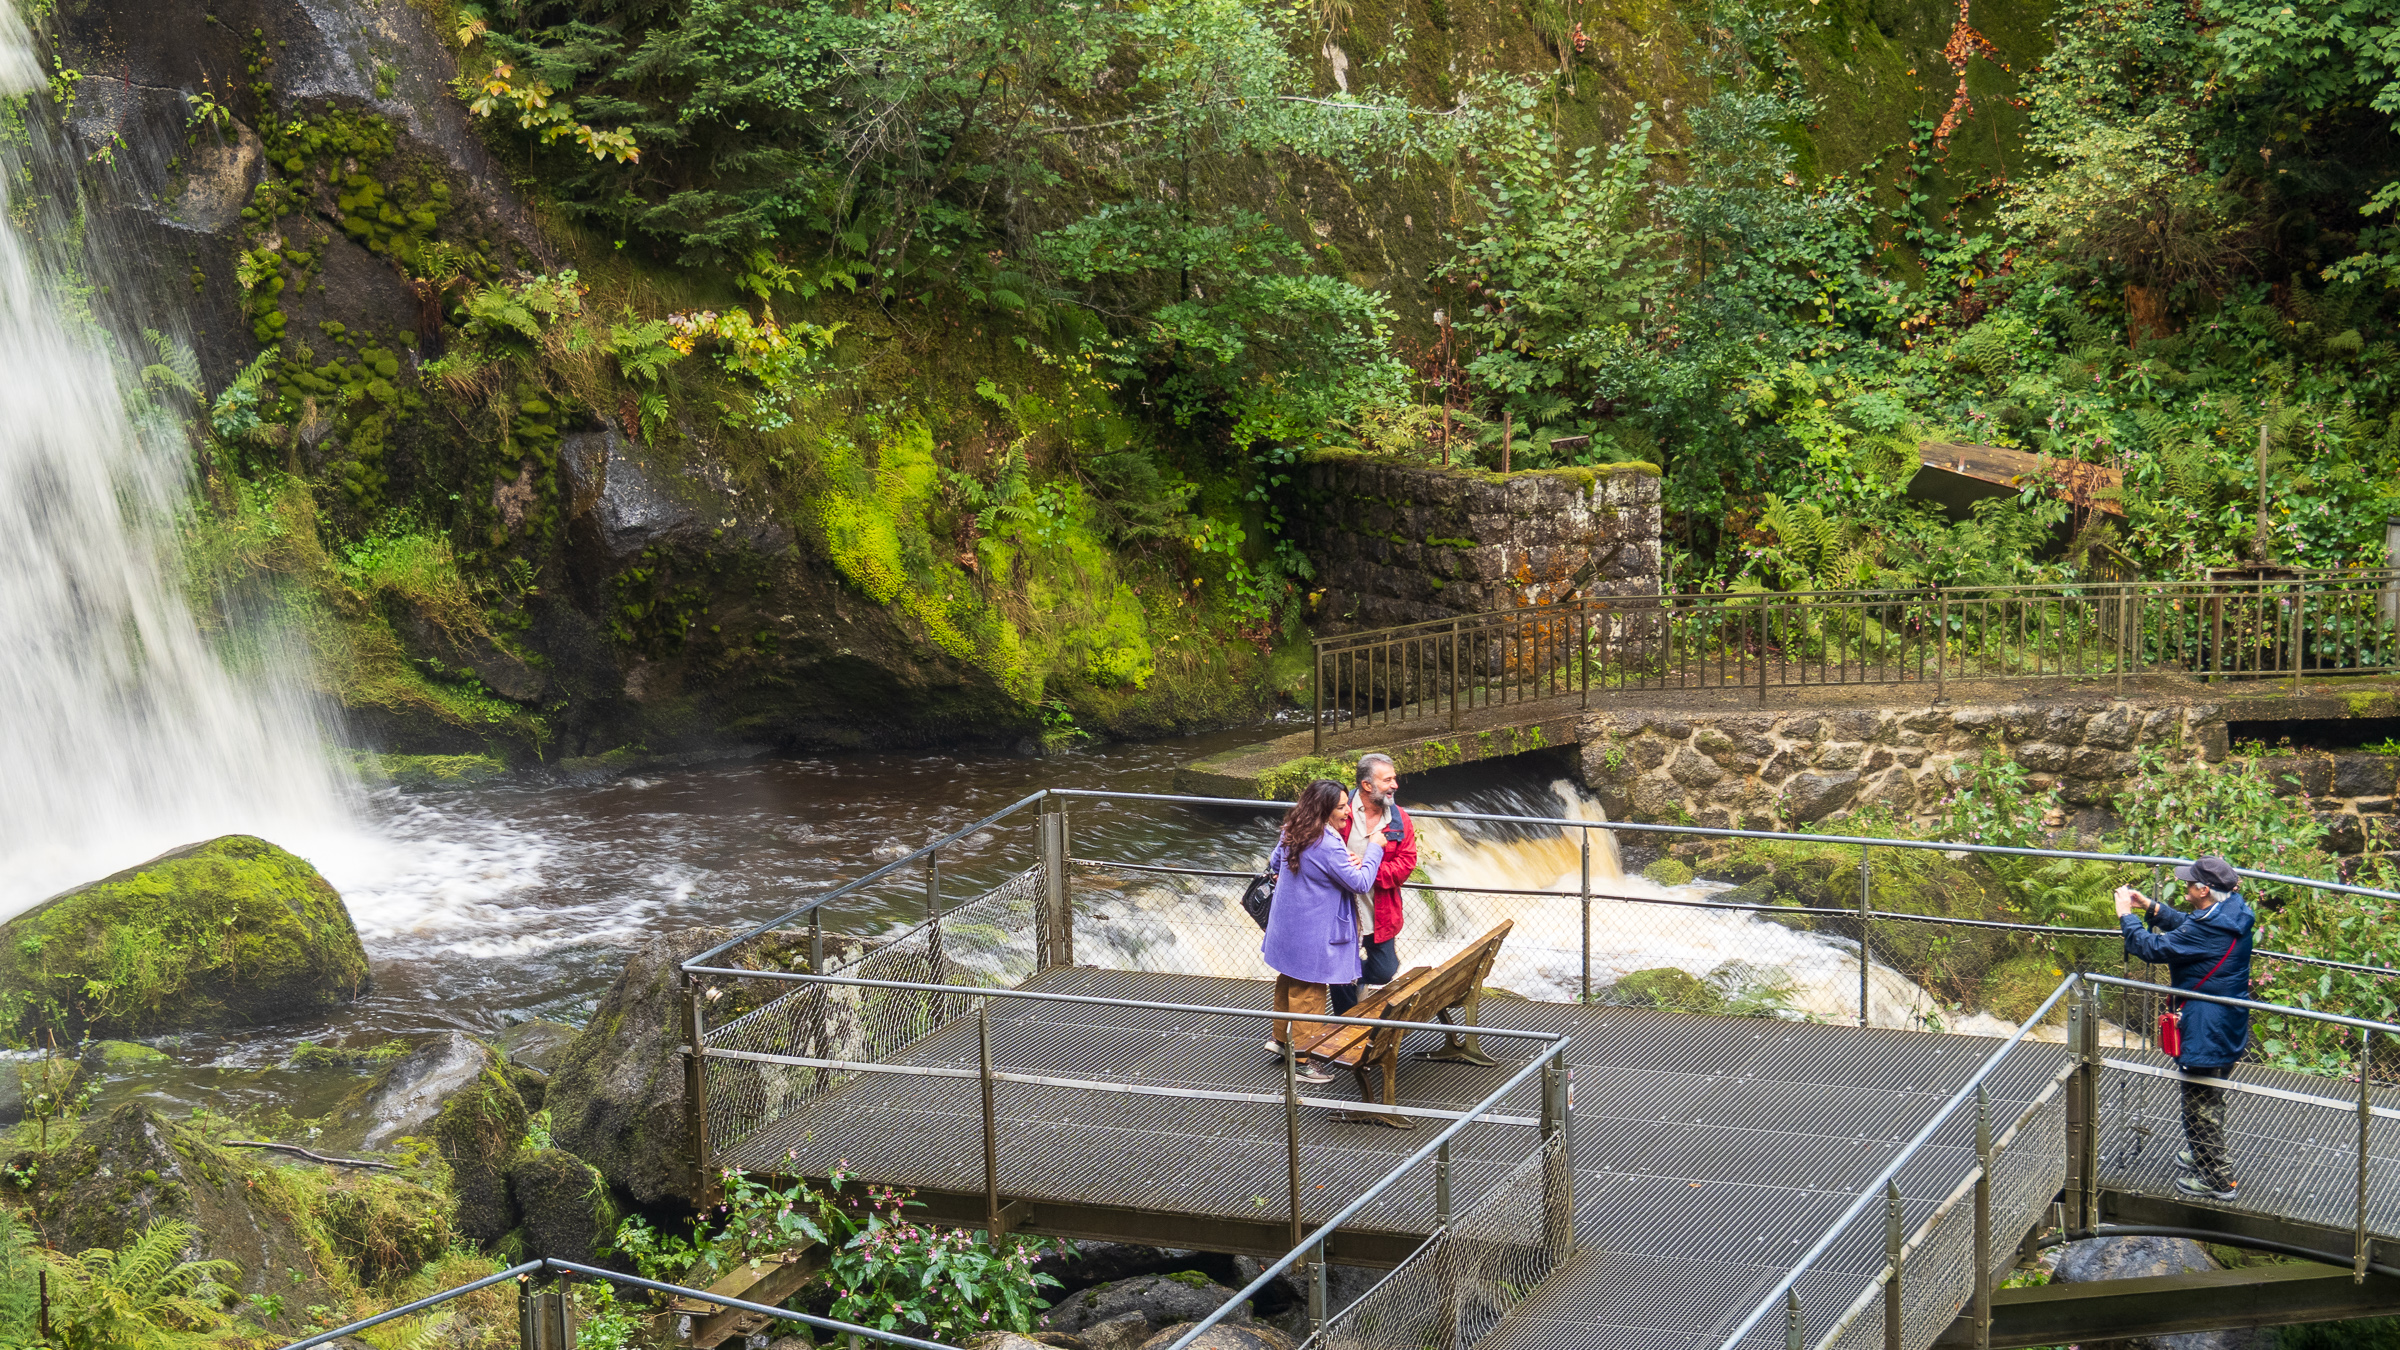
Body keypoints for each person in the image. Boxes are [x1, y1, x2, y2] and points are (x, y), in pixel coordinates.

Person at [2116, 855, 2255, 1202]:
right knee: (2209, 1094)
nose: (2186, 888)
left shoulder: (2210, 927)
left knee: (2199, 1104)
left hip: (2207, 1027)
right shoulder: (2232, 912)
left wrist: (2126, 915)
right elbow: (2190, 927)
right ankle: (2202, 1151)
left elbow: (2150, 948)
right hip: (2228, 1019)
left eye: (2190, 884)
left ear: (2205, 889)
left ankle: (2218, 1179)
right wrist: (2153, 909)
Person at [1261, 778, 1380, 1084]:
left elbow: (1275, 861)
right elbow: (1361, 883)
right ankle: (1302, 1059)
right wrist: (1373, 853)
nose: (1346, 812)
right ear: (1325, 809)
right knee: (1310, 991)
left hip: (1287, 925)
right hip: (1313, 931)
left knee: (1288, 981)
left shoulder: (1293, 830)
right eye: (1341, 807)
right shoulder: (1327, 843)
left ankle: (1280, 1040)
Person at [1337, 752, 1417, 1015]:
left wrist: (1369, 869)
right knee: (1339, 974)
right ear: (1367, 785)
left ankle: (1359, 979)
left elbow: (1406, 863)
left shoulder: (1399, 819)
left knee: (1384, 970)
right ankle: (1344, 1028)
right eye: (1388, 780)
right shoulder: (1339, 810)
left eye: (1394, 778)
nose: (1395, 785)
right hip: (1339, 909)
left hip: (1379, 909)